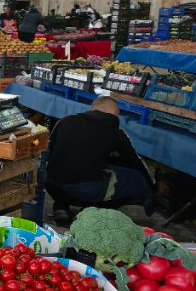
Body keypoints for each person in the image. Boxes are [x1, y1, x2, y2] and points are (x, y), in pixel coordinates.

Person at [46, 96, 155, 224]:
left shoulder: (64, 121)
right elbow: (134, 161)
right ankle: (89, 213)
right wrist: (152, 187)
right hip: (85, 190)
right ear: (111, 114)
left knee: (66, 168)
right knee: (134, 177)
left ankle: (61, 207)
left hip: (51, 183)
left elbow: (49, 150)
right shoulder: (115, 133)